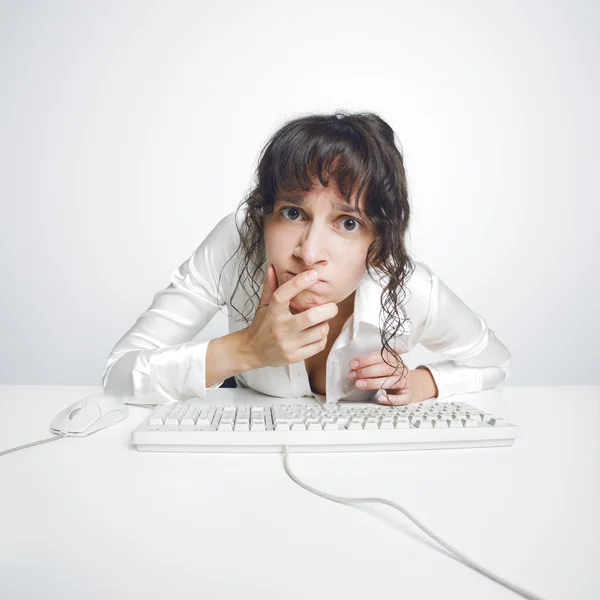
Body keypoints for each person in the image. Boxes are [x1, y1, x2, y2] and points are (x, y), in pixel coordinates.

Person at [101, 111, 511, 406]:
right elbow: (118, 374)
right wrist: (246, 349)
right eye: (293, 213)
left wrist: (425, 382)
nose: (309, 253)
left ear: (380, 241)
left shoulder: (410, 288)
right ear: (265, 212)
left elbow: (496, 362)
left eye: (347, 223)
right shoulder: (238, 240)